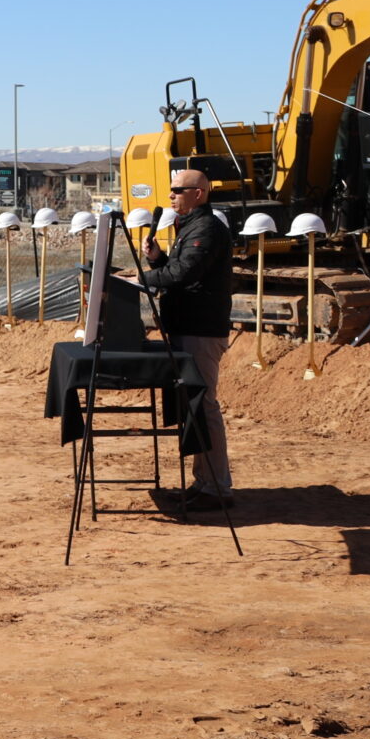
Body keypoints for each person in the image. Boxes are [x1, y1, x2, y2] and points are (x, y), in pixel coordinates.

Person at [140, 169, 239, 513]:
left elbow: (185, 274)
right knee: (194, 407)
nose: (171, 195)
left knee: (204, 406)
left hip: (201, 330)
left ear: (198, 193)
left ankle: (217, 487)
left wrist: (143, 277)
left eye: (177, 190)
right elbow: (181, 270)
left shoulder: (207, 228)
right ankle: (204, 483)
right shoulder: (191, 226)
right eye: (170, 190)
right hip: (188, 326)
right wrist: (158, 260)